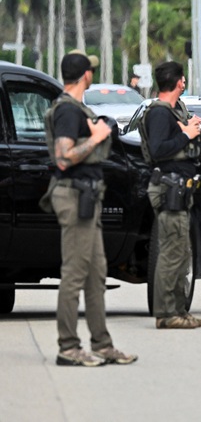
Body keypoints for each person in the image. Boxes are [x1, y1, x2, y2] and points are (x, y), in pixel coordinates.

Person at [44, 50, 137, 366]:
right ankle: (67, 347)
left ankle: (102, 343)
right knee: (74, 272)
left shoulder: (75, 107)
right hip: (74, 195)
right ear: (86, 75)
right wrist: (97, 137)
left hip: (87, 195)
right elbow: (63, 157)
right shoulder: (68, 111)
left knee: (96, 272)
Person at [140, 62, 201, 329]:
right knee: (171, 252)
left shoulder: (171, 113)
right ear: (180, 82)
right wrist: (187, 134)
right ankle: (166, 313)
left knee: (181, 252)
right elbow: (157, 150)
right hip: (169, 189)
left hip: (179, 189)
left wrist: (186, 127)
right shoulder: (158, 112)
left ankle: (179, 309)